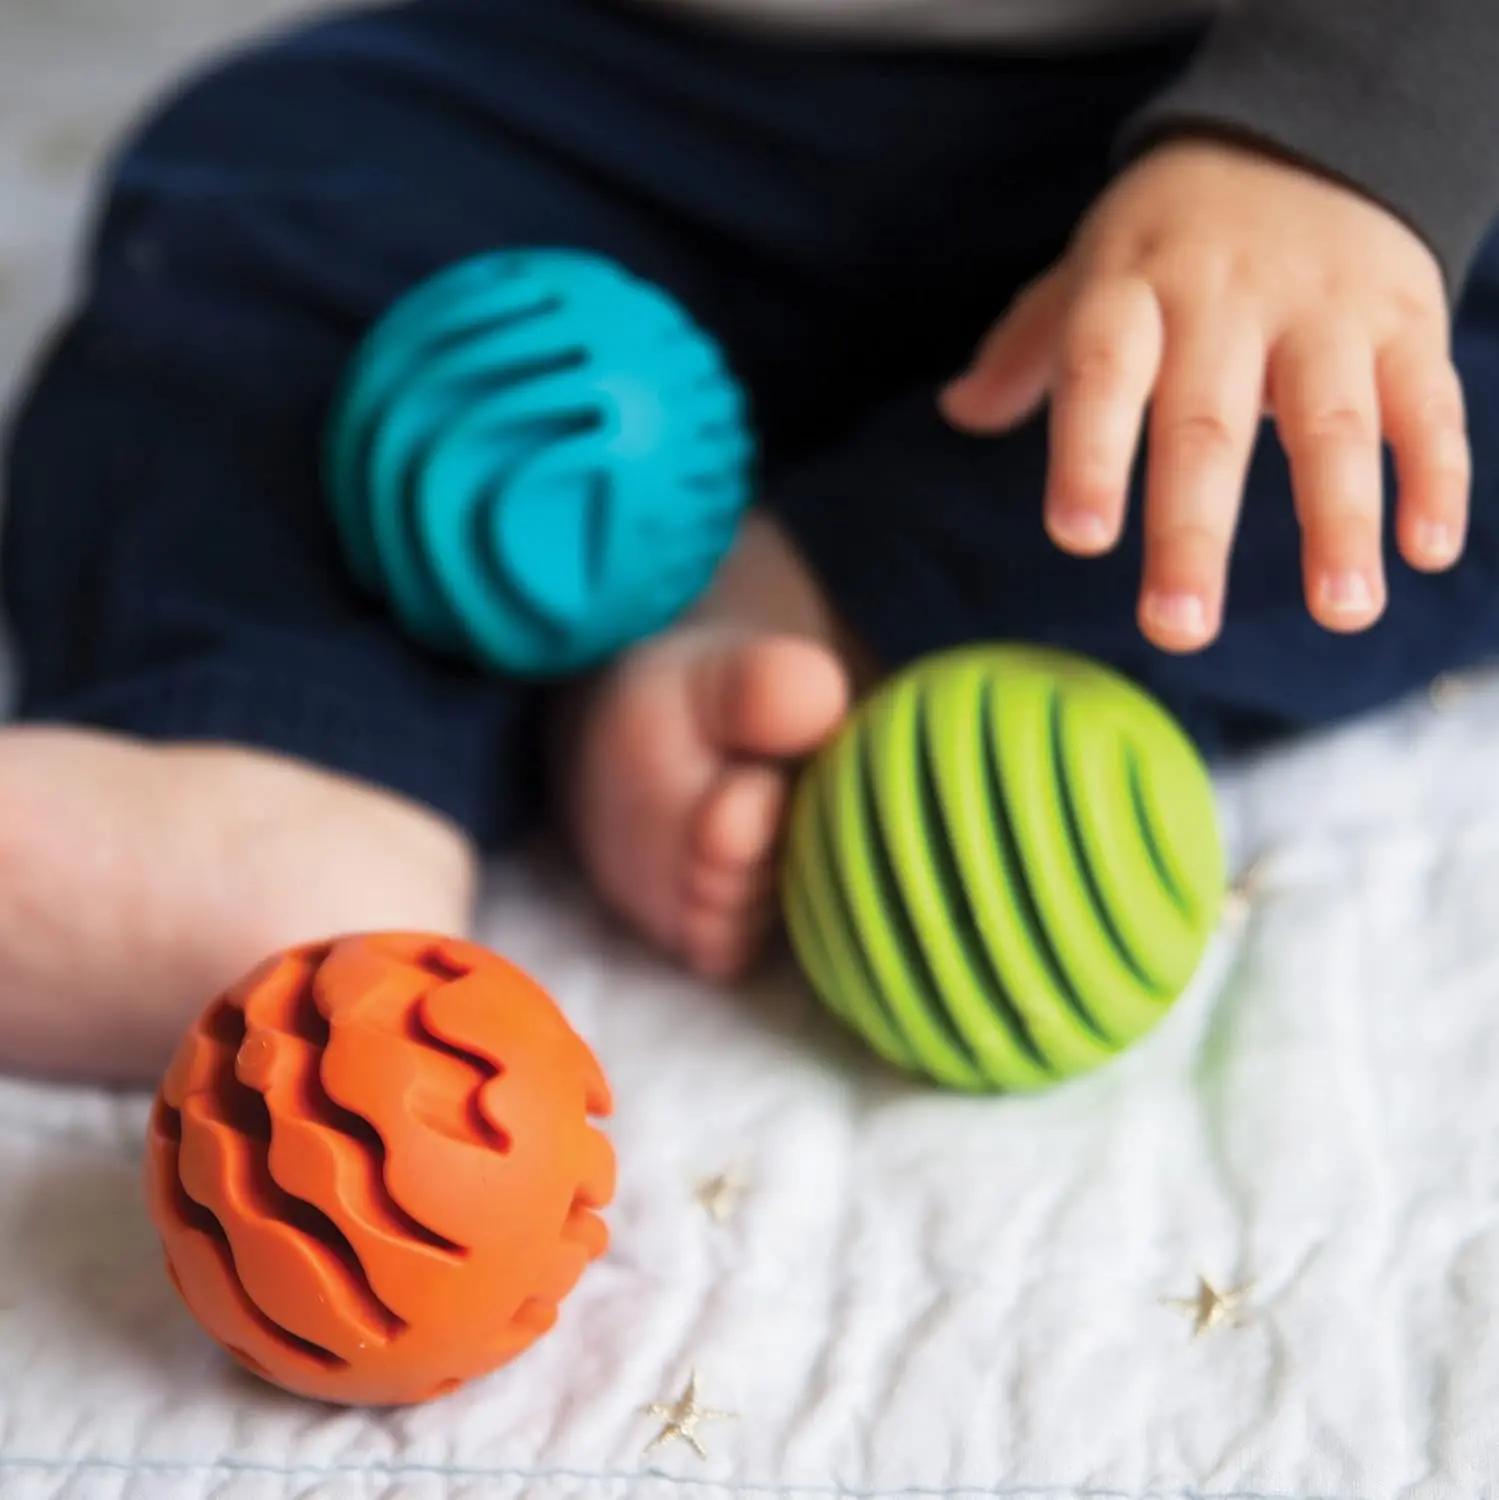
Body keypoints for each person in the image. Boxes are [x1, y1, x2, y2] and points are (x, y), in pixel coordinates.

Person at [3, 0, 1497, 1083]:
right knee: (283, 163)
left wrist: (1334, 141)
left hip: (1277, 123)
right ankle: (277, 769)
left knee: (1370, 406)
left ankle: (818, 593)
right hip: (655, 80)